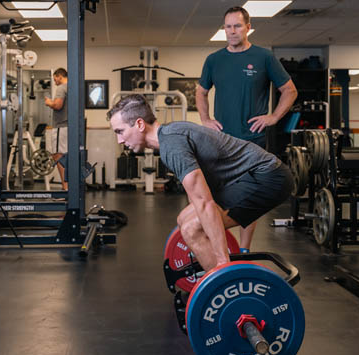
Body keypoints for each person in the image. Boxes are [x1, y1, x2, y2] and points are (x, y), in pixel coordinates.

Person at [107, 94, 292, 272]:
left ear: (139, 124)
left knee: (192, 229)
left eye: (120, 131)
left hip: (267, 178)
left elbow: (205, 203)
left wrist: (222, 262)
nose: (120, 140)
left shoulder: (172, 146)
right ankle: (215, 272)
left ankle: (225, 288)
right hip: (246, 177)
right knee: (183, 220)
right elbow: (197, 197)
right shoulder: (170, 134)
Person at [195, 6, 298, 253]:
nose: (232, 31)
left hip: (252, 140)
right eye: (228, 26)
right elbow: (201, 91)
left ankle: (243, 250)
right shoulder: (214, 60)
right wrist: (205, 119)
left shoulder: (264, 58)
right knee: (217, 192)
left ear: (248, 27)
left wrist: (273, 117)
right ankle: (216, 242)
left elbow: (290, 90)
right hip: (220, 139)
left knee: (248, 196)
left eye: (237, 26)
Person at [45, 68, 69, 190]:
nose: (55, 82)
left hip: (61, 126)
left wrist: (49, 102)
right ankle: (69, 188)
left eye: (55, 79)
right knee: (67, 156)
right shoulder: (73, 87)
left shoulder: (62, 88)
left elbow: (58, 105)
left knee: (58, 156)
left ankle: (66, 189)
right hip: (69, 127)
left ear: (60, 76)